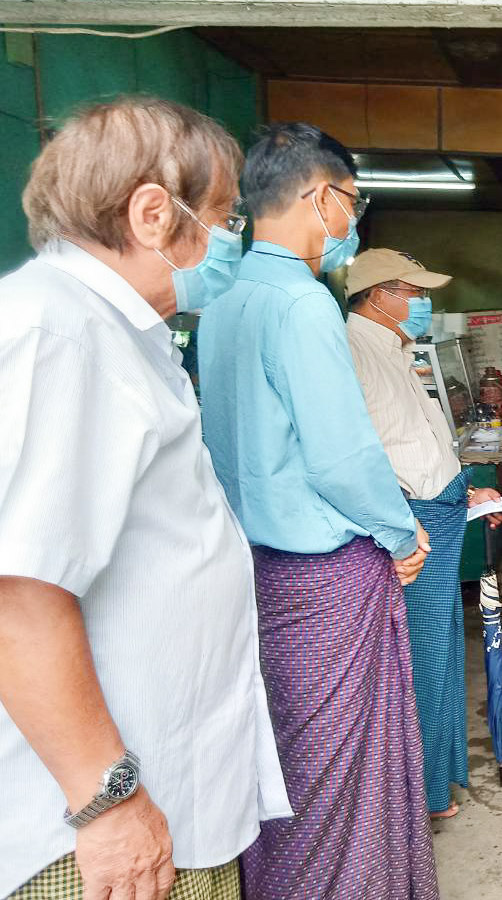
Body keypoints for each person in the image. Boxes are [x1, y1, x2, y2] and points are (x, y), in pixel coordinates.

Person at [0, 97, 289, 900]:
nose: (231, 240)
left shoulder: (115, 330)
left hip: (160, 790)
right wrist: (106, 801)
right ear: (154, 214)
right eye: (225, 218)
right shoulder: (59, 334)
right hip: (93, 827)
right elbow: (20, 593)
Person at [198, 124, 438, 899]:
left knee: (286, 762)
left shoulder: (222, 302)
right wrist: (401, 532)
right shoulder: (304, 304)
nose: (352, 221)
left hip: (254, 571)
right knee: (343, 775)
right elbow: (340, 459)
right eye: (353, 204)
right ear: (321, 196)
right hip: (325, 577)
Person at [345, 248, 502, 820]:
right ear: (379, 295)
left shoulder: (397, 350)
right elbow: (362, 459)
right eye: (414, 294)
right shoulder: (353, 352)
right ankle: (417, 795)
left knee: (441, 654)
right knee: (418, 660)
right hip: (409, 523)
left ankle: (436, 784)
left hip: (438, 510)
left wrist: (467, 492)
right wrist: (403, 523)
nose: (423, 305)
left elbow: (421, 446)